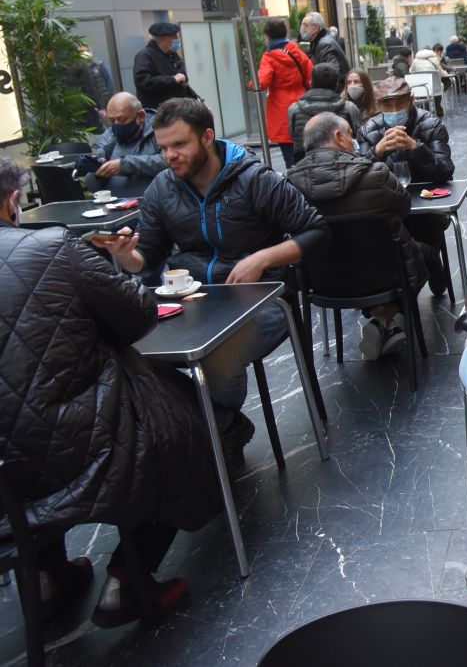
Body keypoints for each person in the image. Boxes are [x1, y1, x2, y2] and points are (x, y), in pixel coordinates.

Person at [0, 158, 221, 628]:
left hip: (8, 470)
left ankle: (46, 576)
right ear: (13, 201)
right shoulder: (50, 248)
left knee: (22, 449)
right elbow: (137, 314)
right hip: (81, 436)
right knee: (176, 424)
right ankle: (128, 579)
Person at [94, 98, 330, 475]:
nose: (170, 155)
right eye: (163, 147)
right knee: (134, 356)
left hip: (265, 301)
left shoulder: (255, 180)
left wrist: (262, 258)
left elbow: (316, 231)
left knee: (215, 362)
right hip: (197, 303)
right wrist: (125, 256)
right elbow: (149, 257)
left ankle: (214, 432)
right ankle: (217, 429)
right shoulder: (161, 189)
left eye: (179, 145)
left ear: (207, 138)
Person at [286, 113, 429, 360]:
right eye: (352, 135)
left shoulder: (288, 184)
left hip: (322, 281)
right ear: (339, 137)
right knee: (423, 251)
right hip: (383, 275)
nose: (354, 142)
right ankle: (385, 318)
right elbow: (404, 208)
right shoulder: (376, 174)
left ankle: (382, 320)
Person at [357, 77, 455, 296]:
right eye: (387, 105)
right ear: (377, 105)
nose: (394, 109)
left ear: (410, 101)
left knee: (424, 232)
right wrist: (377, 152)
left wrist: (415, 147)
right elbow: (358, 174)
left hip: (425, 208)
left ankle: (431, 268)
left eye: (400, 103)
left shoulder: (429, 124)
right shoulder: (368, 130)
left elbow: (445, 170)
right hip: (386, 207)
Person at [79, 91, 168, 198]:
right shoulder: (107, 138)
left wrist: (126, 165)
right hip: (113, 207)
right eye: (112, 120)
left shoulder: (160, 129)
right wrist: (96, 171)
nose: (116, 125)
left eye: (122, 120)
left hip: (153, 202)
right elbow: (93, 187)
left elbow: (169, 162)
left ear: (140, 116)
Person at [256, 17, 313, 170]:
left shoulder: (269, 57)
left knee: (289, 156)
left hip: (281, 109)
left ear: (268, 36)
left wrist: (251, 84)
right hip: (303, 104)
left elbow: (262, 82)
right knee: (306, 150)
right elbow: (311, 74)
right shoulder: (296, 51)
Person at [288, 62, 362, 162]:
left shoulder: (294, 109)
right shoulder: (349, 108)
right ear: (336, 84)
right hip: (344, 163)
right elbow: (357, 137)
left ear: (311, 82)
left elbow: (292, 136)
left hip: (304, 164)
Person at [133, 22, 198, 109]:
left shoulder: (172, 54)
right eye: (174, 36)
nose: (177, 39)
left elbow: (182, 75)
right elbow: (143, 81)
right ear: (162, 39)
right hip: (160, 113)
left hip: (179, 109)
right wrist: (172, 79)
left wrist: (183, 78)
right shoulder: (144, 55)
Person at [70, 43, 113, 131]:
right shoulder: (77, 71)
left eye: (87, 51)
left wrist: (106, 106)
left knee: (110, 130)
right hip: (91, 108)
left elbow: (109, 84)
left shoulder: (99, 65)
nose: (85, 53)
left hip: (105, 103)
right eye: (82, 51)